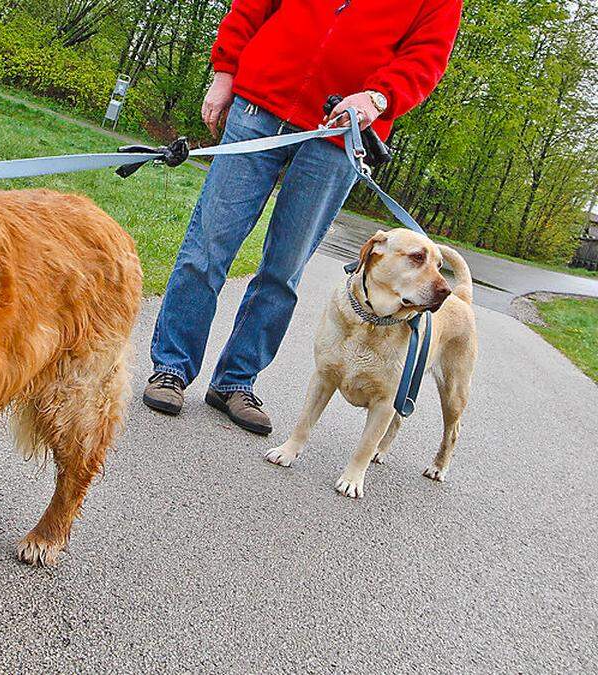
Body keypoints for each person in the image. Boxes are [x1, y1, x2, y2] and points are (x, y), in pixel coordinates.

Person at [142, 0, 462, 435]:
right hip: (259, 104)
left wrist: (375, 98)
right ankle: (172, 368)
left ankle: (236, 381)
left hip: (340, 134)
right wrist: (224, 73)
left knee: (284, 269)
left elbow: (425, 56)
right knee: (207, 247)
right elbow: (251, 6)